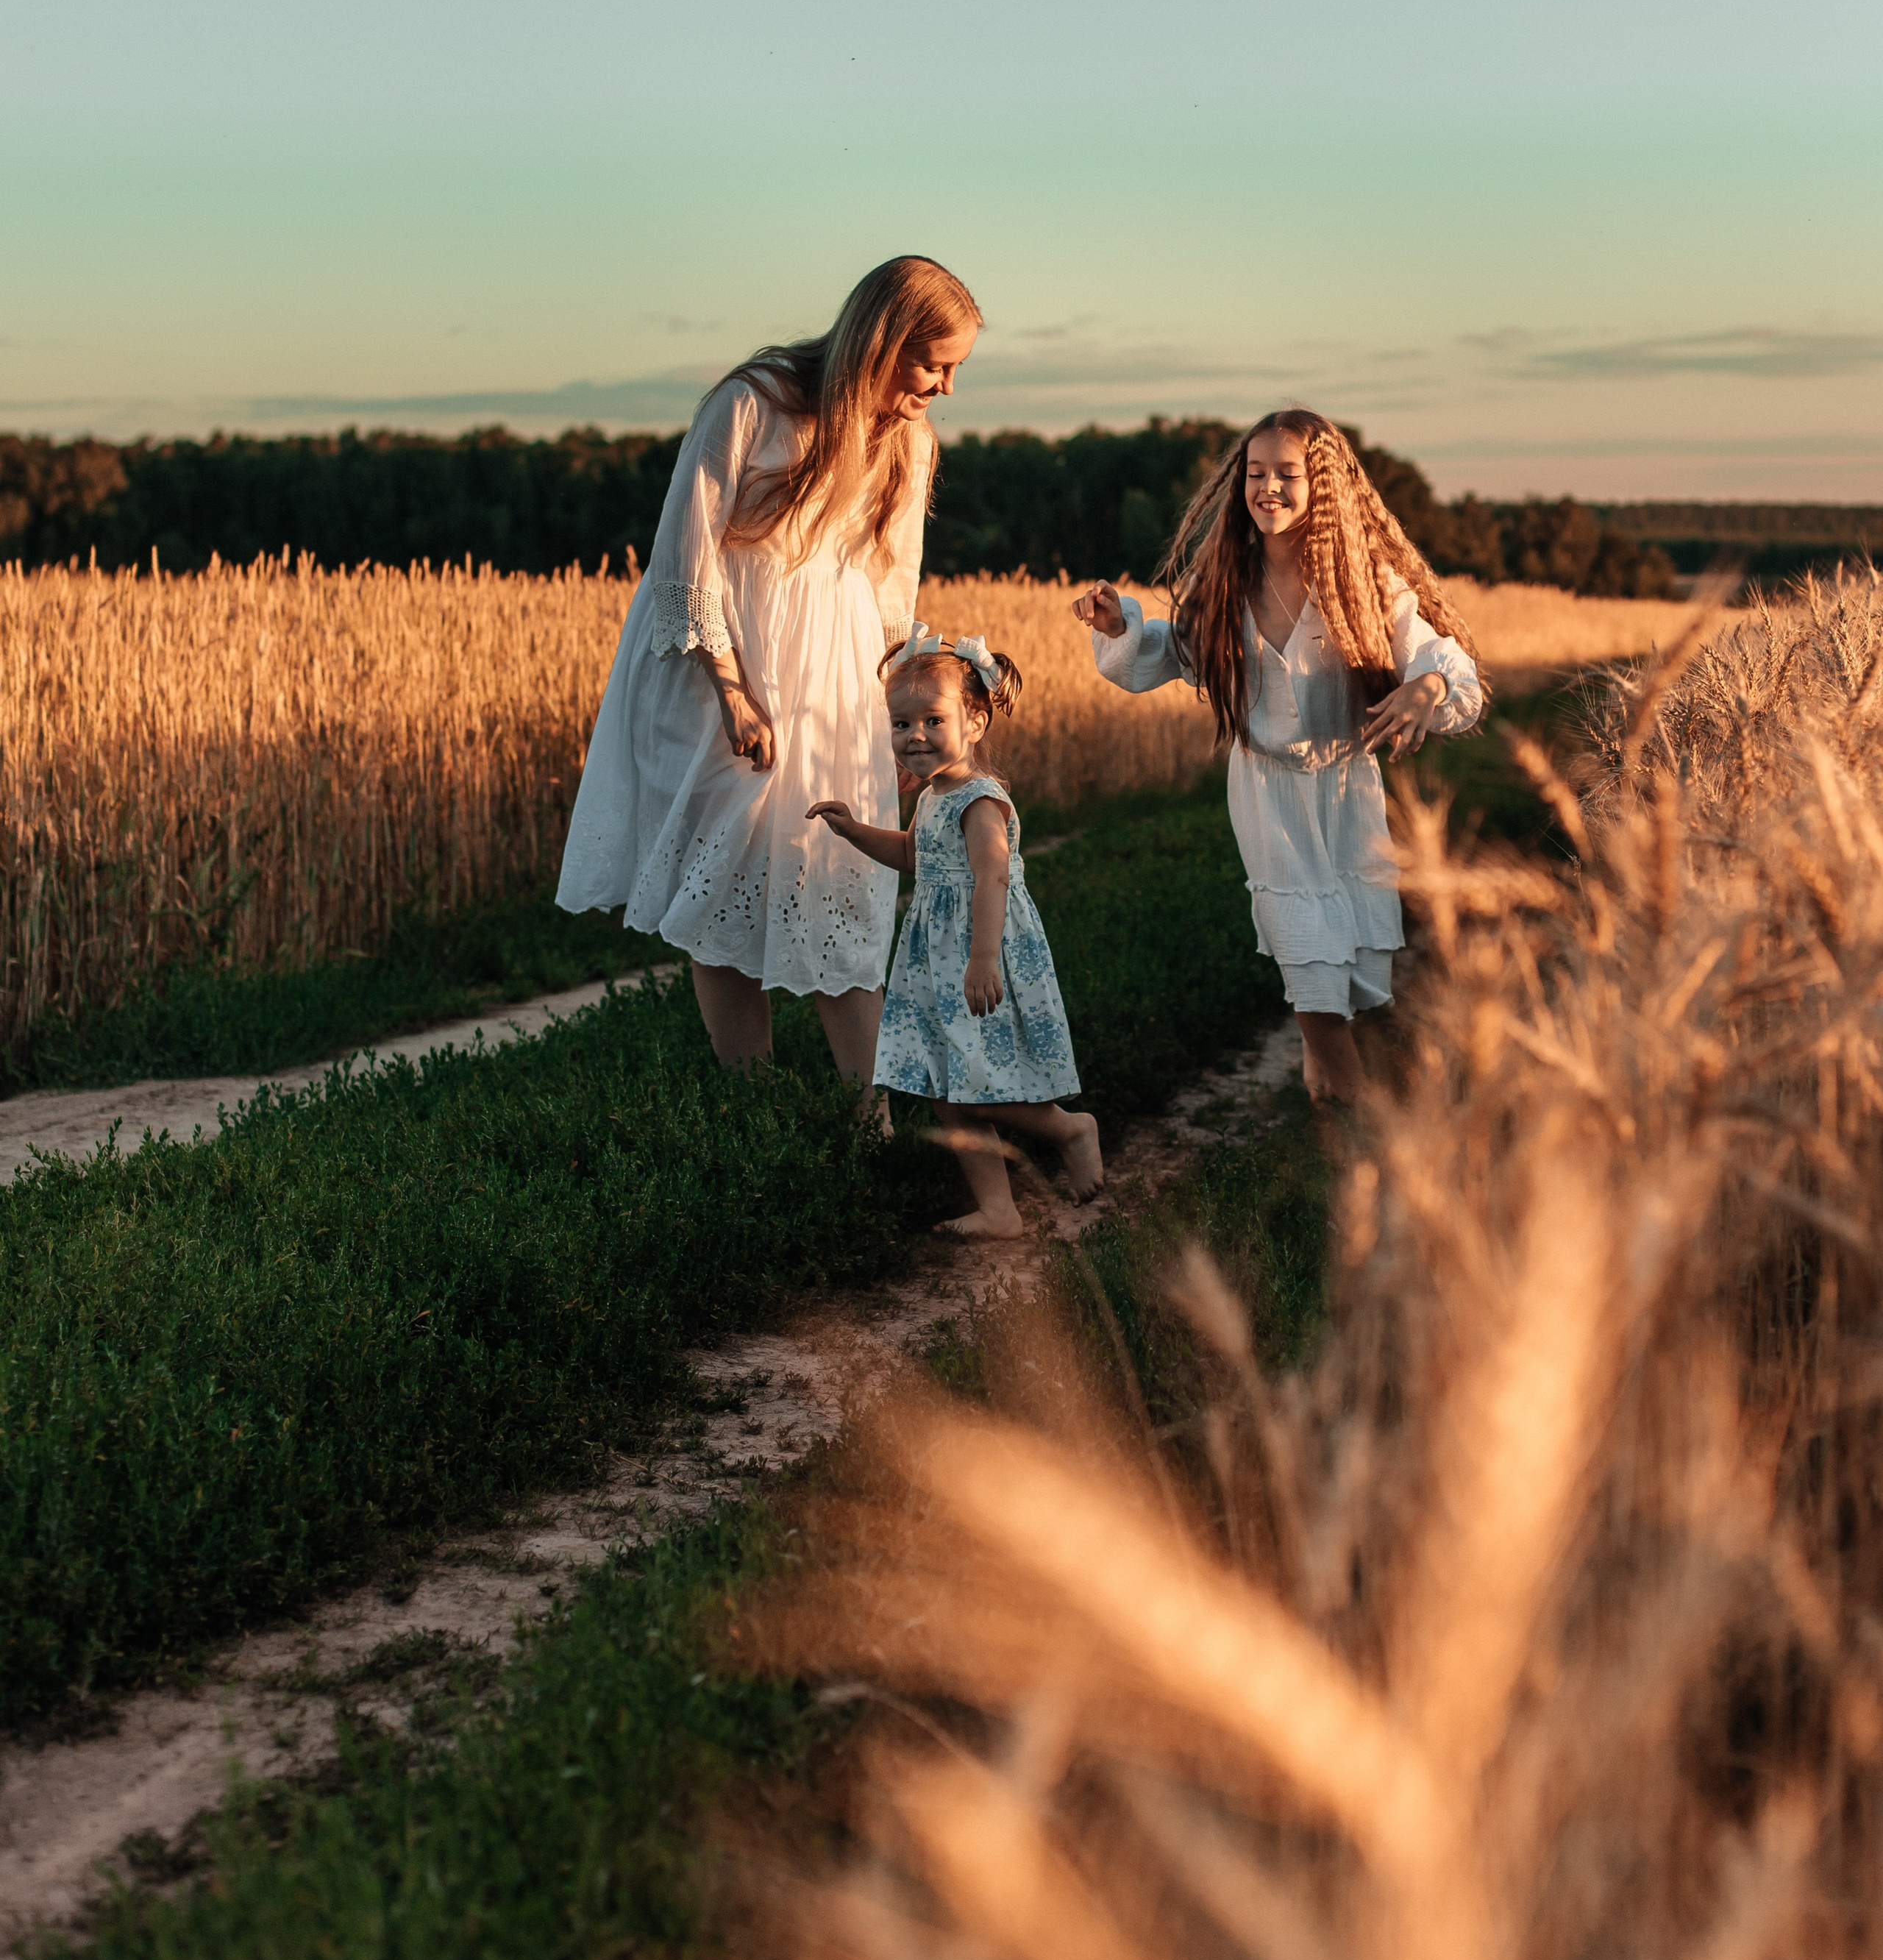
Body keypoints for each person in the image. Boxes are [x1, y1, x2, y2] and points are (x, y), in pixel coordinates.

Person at [557, 256, 980, 1096]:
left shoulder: (908, 443)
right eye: (934, 362)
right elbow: (687, 547)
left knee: (838, 874)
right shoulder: (751, 403)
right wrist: (730, 689)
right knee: (725, 875)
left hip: (834, 671)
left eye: (955, 368)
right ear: (882, 341)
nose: (945, 386)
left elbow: (894, 592)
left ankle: (872, 1116)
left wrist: (896, 720)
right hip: (723, 662)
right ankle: (752, 1101)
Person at [1073, 410, 1483, 1107]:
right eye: (1255, 475)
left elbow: (1449, 668)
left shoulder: (1366, 586)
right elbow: (1174, 654)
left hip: (1348, 796)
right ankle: (1364, 1137)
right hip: (1269, 801)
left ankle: (1327, 1109)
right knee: (1315, 982)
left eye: (1286, 474)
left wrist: (1430, 686)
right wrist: (1119, 627)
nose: (1268, 488)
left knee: (1348, 983)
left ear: (1322, 486)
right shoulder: (1225, 585)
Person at [809, 625, 1101, 1239]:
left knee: (974, 1085)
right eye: (901, 723)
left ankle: (1071, 1129)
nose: (914, 735)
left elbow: (991, 878)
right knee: (946, 1085)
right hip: (937, 959)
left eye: (932, 720)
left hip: (977, 955)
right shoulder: (932, 796)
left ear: (974, 721)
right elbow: (915, 857)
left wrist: (982, 958)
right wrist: (854, 830)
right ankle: (999, 1208)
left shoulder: (978, 800)